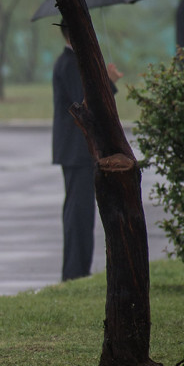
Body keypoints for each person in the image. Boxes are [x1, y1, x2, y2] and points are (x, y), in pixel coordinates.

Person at [52, 21, 122, 281]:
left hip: (76, 151)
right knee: (78, 213)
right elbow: (83, 105)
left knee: (80, 212)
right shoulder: (70, 63)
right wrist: (109, 83)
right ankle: (74, 272)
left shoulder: (70, 62)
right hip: (76, 150)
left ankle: (78, 270)